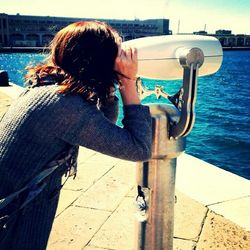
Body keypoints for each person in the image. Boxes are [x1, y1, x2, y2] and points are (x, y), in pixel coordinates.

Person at [0, 21, 152, 249]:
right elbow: (139, 148)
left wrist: (109, 87)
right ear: (99, 61)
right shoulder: (66, 107)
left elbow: (102, 127)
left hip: (17, 200)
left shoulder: (47, 88)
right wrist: (127, 82)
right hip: (16, 216)